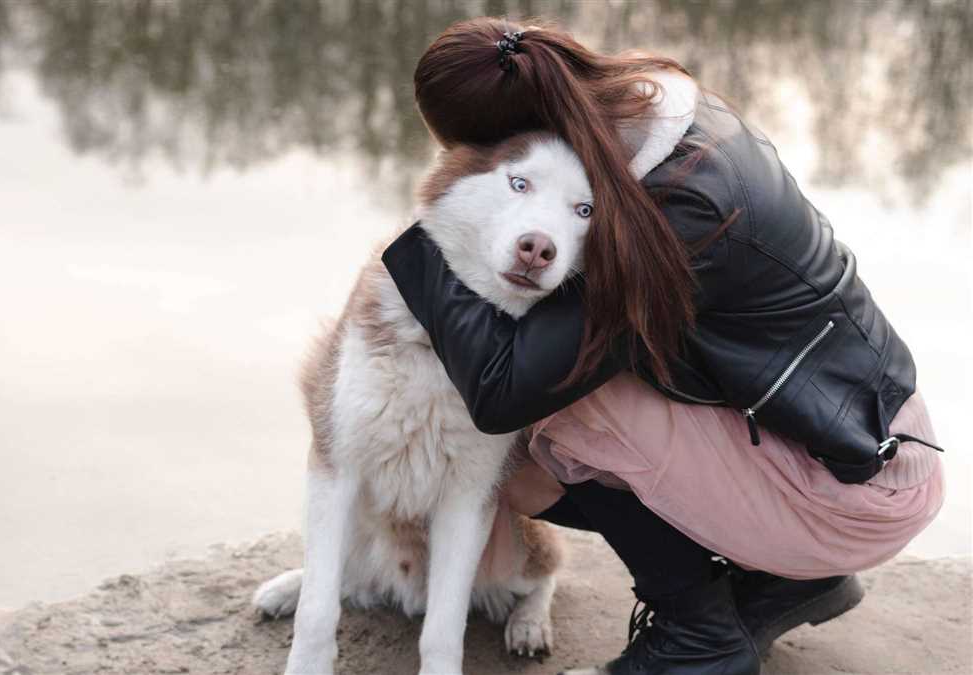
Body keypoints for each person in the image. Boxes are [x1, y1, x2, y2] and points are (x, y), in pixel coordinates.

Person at [382, 18, 945, 675]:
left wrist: (429, 228)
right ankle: (782, 581)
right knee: (533, 447)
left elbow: (501, 390)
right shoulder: (653, 114)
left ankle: (697, 633)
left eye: (479, 162)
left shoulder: (677, 210)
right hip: (856, 446)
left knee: (561, 414)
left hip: (859, 488)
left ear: (508, 141)